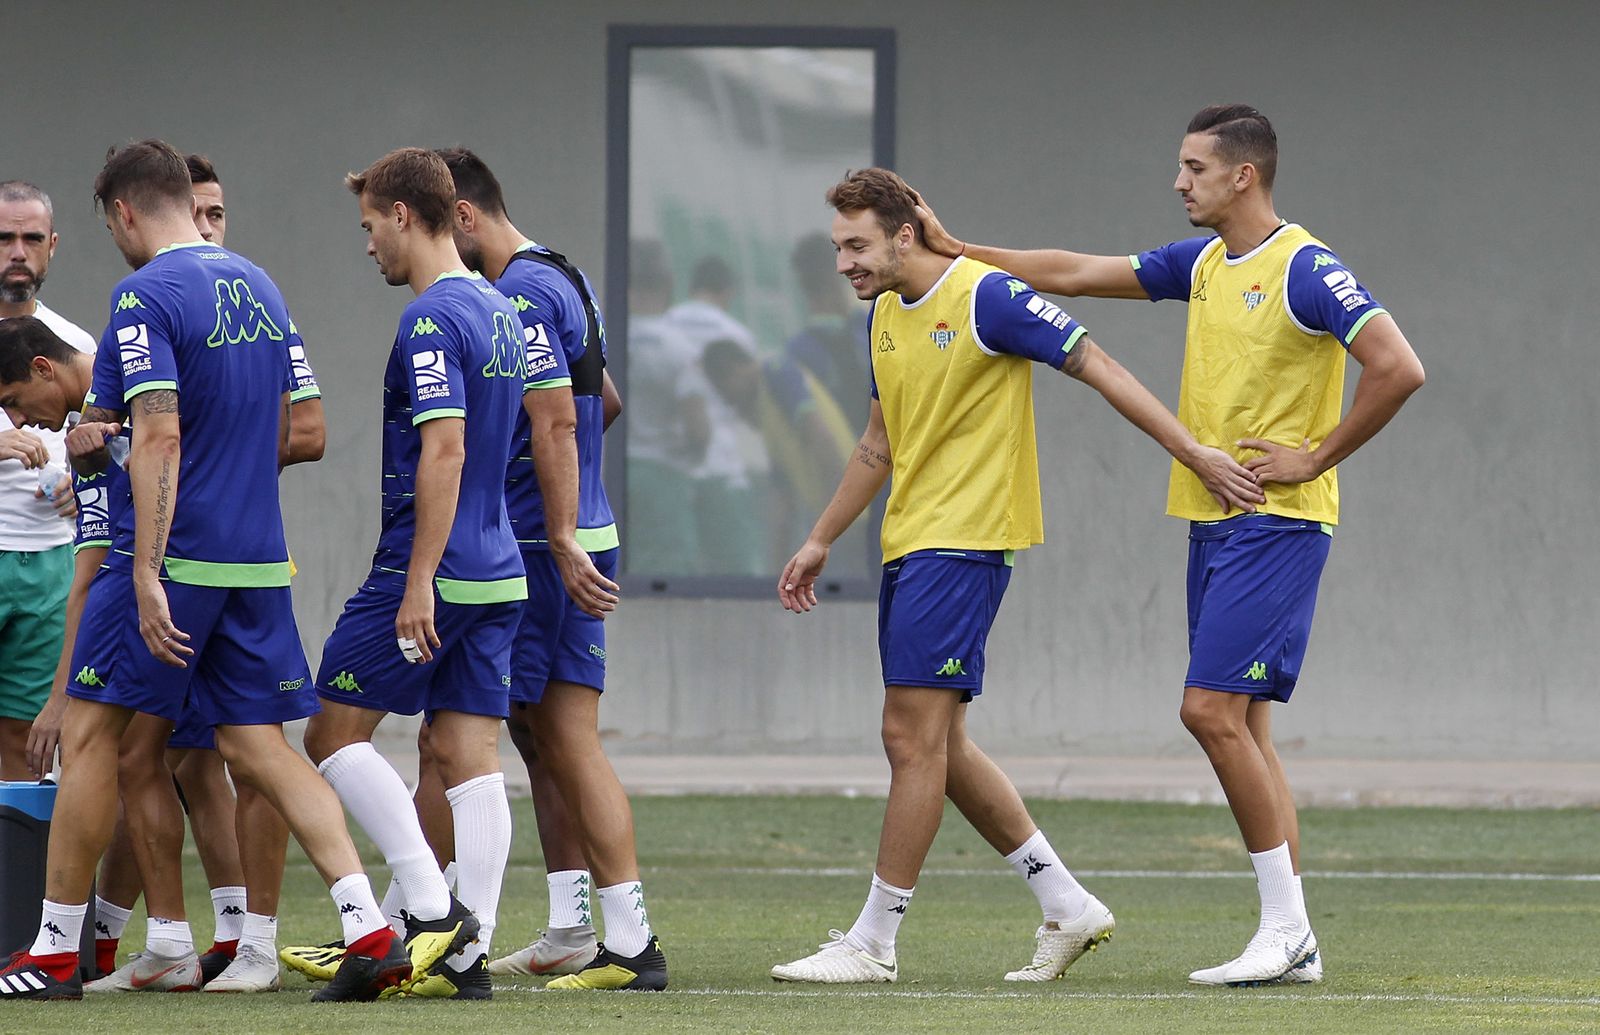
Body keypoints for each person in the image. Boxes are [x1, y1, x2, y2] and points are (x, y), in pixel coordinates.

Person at [912, 104, 1425, 986]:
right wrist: (960, 247)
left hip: (1278, 522)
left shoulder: (1305, 267)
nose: (1178, 181)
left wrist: (1316, 453)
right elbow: (1072, 272)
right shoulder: (1206, 263)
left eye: (1193, 167)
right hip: (1213, 518)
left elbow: (1398, 365)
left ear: (1243, 176)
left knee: (1209, 712)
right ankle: (1291, 938)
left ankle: (1288, 931)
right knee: (1248, 726)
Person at [770, 167, 1262, 986]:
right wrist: (822, 537)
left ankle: (873, 942)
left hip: (964, 543)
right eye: (836, 248)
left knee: (907, 735)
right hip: (910, 541)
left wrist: (1193, 451)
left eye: (856, 246)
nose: (844, 264)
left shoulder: (988, 297)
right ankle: (1068, 904)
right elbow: (878, 445)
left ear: (903, 235)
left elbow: (1099, 365)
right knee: (942, 744)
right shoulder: (886, 314)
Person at [0, 139, 403, 1003]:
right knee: (257, 743)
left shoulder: (144, 294)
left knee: (94, 735)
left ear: (123, 213)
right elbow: (278, 424)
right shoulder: (258, 284)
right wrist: (95, 439)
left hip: (176, 554)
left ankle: (57, 949)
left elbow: (162, 432)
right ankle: (368, 921)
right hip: (256, 557)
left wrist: (144, 569)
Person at [429, 146, 666, 991]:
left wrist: (556, 527)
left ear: (461, 217)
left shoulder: (520, 291)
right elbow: (606, 400)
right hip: (572, 528)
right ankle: (573, 924)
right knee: (543, 735)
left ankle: (631, 944)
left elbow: (559, 419)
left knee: (549, 734)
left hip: (541, 542)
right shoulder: (562, 273)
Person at [298, 146, 526, 1000]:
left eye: (369, 227)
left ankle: (429, 913)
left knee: (328, 731)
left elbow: (448, 447)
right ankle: (471, 957)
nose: (368, 247)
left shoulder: (431, 318)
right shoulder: (500, 309)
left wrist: (419, 576)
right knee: (468, 755)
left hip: (432, 567)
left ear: (403, 214)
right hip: (501, 567)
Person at [0, 181, 94, 781]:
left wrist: (83, 489)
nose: (17, 251)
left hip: (49, 563)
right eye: (4, 237)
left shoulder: (74, 346)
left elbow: (109, 454)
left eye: (31, 238)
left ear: (53, 247)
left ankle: (18, 872)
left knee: (25, 736)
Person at [667, 257, 770, 575]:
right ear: (727, 292)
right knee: (734, 568)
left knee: (680, 571)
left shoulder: (668, 325)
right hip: (722, 468)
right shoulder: (736, 335)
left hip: (676, 469)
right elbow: (752, 408)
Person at [622, 240, 709, 575]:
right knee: (667, 568)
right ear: (667, 284)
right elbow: (698, 426)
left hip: (622, 470)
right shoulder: (679, 347)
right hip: (665, 474)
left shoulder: (610, 340)